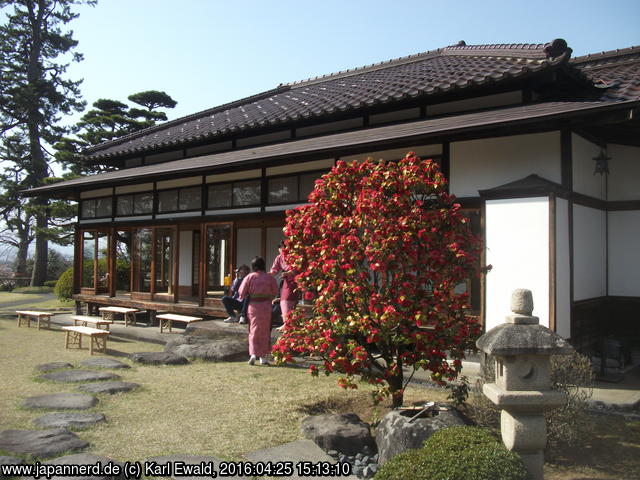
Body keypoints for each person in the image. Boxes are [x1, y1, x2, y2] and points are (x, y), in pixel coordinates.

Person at [238, 256, 278, 365]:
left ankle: (253, 354)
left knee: (253, 330)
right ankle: (262, 357)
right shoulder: (269, 278)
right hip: (266, 306)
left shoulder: (250, 277)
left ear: (253, 267)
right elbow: (274, 291)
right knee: (265, 331)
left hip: (254, 306)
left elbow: (241, 293)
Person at [270, 240, 299, 331]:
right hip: (286, 282)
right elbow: (274, 270)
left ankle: (288, 324)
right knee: (283, 301)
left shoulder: (293, 257)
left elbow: (296, 269)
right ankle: (286, 323)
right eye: (281, 249)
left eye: (285, 248)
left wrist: (288, 273)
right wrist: (264, 275)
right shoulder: (279, 258)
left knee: (287, 301)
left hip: (295, 280)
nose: (283, 251)